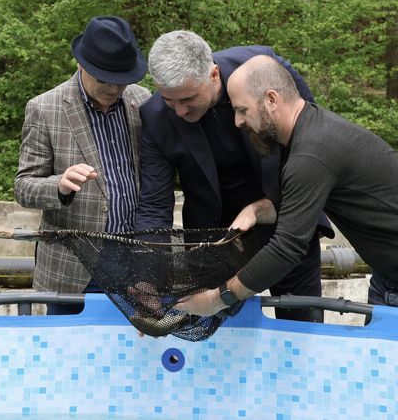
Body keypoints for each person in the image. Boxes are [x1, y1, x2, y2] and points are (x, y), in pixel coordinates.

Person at [175, 55, 398, 319]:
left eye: (243, 110)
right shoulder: (309, 131)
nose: (238, 122)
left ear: (271, 100)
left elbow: (287, 249)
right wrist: (259, 209)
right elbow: (301, 198)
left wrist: (218, 299)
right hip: (393, 276)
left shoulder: (311, 152)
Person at [134, 31, 334, 322]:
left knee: (301, 325)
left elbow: (311, 142)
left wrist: (279, 207)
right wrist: (146, 275)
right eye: (169, 101)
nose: (179, 111)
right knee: (218, 336)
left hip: (286, 222)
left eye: (188, 99)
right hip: (212, 240)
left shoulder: (264, 69)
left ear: (213, 74)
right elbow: (154, 204)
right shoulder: (154, 115)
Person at [15, 16, 151, 314]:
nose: (114, 88)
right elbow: (24, 187)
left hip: (133, 266)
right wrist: (59, 186)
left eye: (122, 79)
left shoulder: (142, 102)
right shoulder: (44, 108)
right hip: (72, 271)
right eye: (104, 79)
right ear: (81, 65)